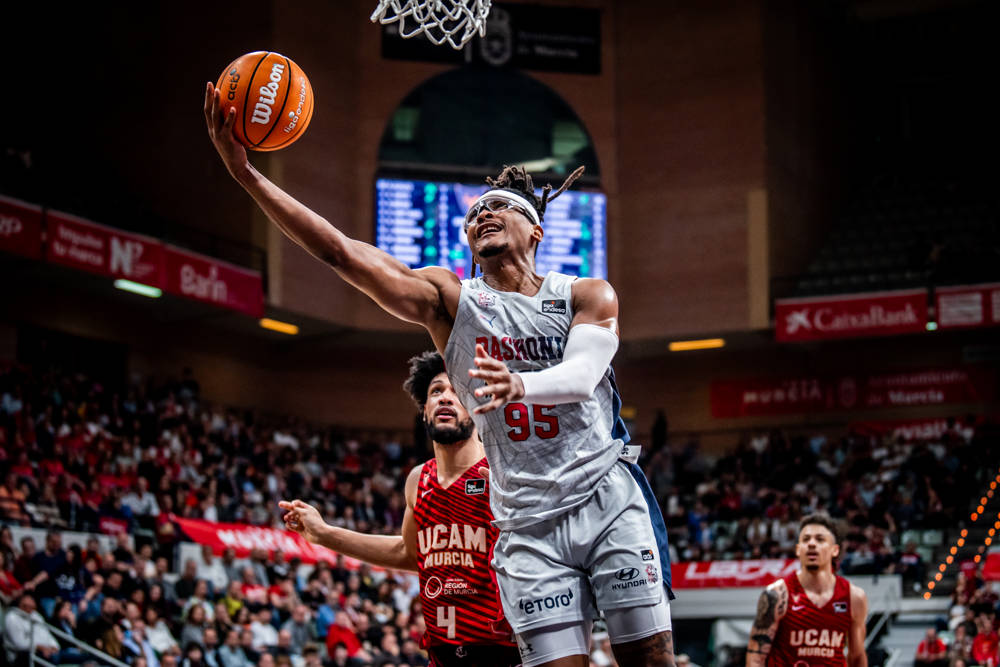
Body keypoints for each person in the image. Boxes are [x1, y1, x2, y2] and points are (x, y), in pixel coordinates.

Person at [207, 79, 674, 667]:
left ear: (536, 229)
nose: (481, 215)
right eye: (474, 213)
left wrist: (520, 383)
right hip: (526, 522)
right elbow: (343, 254)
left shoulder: (585, 293)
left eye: (497, 207)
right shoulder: (451, 300)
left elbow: (581, 376)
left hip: (604, 497)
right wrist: (247, 175)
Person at [280, 351, 520, 666]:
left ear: (478, 408)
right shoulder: (418, 480)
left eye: (457, 391)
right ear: (424, 412)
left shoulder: (501, 471)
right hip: (442, 654)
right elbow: (408, 553)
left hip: (506, 650)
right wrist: (325, 534)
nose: (445, 398)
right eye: (436, 391)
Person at [745, 514, 868, 667]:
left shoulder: (854, 597)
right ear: (798, 549)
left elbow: (857, 657)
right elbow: (756, 657)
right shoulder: (777, 595)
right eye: (806, 539)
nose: (811, 544)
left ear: (835, 550)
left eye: (820, 539)